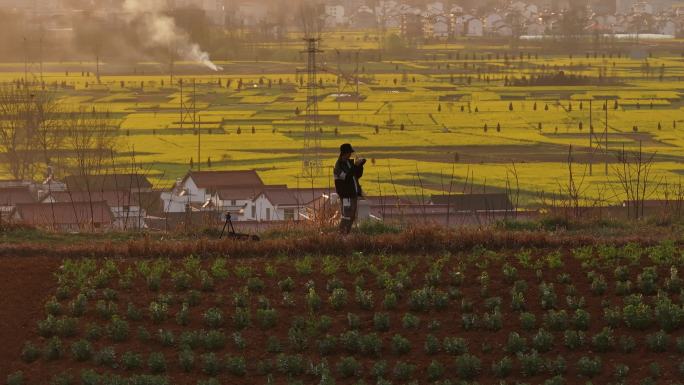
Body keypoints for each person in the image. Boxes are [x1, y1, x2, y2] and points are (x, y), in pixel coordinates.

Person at [334, 143, 365, 234]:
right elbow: (347, 177)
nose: (350, 155)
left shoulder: (348, 163)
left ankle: (345, 234)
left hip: (353, 194)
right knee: (346, 215)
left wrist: (360, 166)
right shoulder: (338, 166)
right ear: (344, 153)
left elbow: (356, 175)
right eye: (349, 153)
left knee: (352, 216)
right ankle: (341, 235)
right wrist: (355, 166)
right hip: (345, 195)